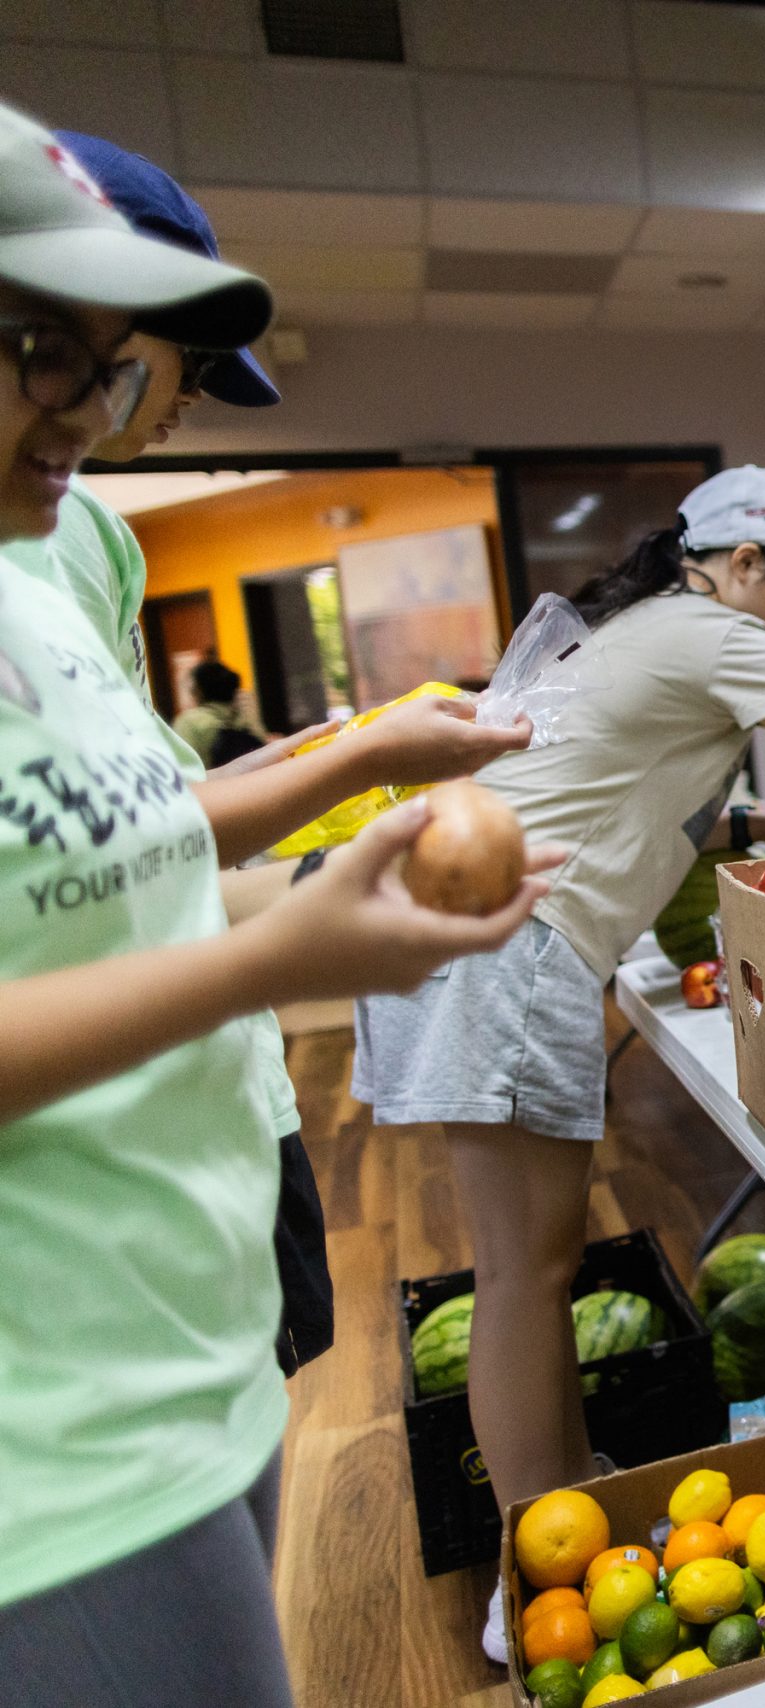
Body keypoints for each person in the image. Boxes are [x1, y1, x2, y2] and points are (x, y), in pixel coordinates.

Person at [0, 98, 557, 1707]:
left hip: (175, 1351)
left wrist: (354, 778)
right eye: (48, 348)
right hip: (53, 1456)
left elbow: (131, 855)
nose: (93, 416)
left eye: (109, 366)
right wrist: (289, 958)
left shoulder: (34, 592)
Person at [346, 463, 765, 1660]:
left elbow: (604, 776)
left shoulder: (640, 630)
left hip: (463, 929)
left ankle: (567, 1474)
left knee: (537, 1256)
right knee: (525, 1268)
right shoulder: (710, 630)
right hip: (504, 945)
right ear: (740, 564)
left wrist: (754, 823)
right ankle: (536, 1564)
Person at [174, 655, 266, 767]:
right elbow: (263, 748)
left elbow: (183, 766)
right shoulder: (246, 716)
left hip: (215, 782)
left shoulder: (189, 721)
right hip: (253, 780)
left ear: (198, 691)